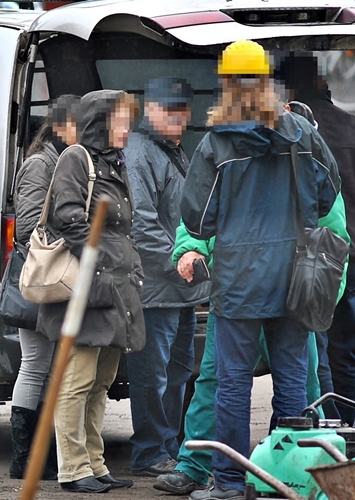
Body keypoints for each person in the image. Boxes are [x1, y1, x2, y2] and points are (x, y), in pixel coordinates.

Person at [180, 40, 340, 499]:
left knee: (231, 384)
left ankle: (228, 483)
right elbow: (327, 196)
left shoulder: (217, 144)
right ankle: (289, 481)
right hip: (295, 279)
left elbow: (197, 217)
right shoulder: (304, 134)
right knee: (291, 382)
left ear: (226, 85)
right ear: (269, 82)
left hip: (239, 280)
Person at [153, 197, 348, 496]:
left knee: (304, 387)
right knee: (214, 383)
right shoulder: (222, 151)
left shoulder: (307, 152)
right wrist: (190, 247)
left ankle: (296, 469)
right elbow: (200, 205)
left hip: (290, 294)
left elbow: (333, 233)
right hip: (235, 289)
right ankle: (195, 466)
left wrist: (325, 290)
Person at [38, 89, 144, 493]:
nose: (126, 127)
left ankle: (96, 464)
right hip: (88, 288)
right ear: (100, 121)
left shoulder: (112, 163)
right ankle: (73, 468)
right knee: (77, 380)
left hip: (116, 289)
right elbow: (67, 218)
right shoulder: (76, 158)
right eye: (119, 119)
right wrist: (99, 264)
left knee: (102, 380)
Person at [123, 77, 211, 477]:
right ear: (151, 110)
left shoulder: (173, 150)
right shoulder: (139, 152)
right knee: (153, 375)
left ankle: (168, 447)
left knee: (178, 373)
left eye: (183, 110)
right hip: (157, 289)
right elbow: (141, 223)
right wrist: (181, 261)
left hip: (182, 289)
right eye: (169, 110)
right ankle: (149, 451)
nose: (178, 117)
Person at [277, 53, 355, 425]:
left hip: (314, 256)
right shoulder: (349, 126)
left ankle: (330, 418)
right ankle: (349, 422)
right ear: (323, 82)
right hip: (348, 248)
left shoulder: (292, 133)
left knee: (318, 344)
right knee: (347, 346)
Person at [9, 94, 80, 480]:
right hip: (43, 277)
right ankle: (23, 458)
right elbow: (26, 228)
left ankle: (41, 453)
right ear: (63, 125)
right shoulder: (41, 164)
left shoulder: (64, 161)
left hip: (56, 278)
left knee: (50, 367)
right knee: (35, 365)